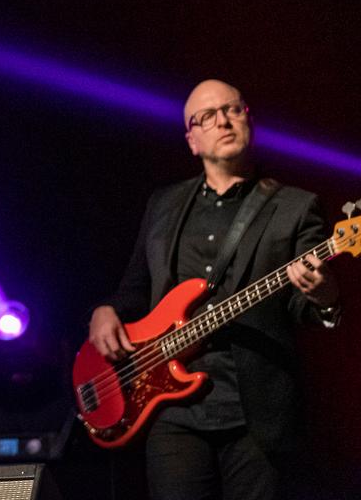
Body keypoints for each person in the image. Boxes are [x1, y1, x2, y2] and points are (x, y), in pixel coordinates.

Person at [87, 79, 340, 500]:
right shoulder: (163, 204)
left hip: (256, 414)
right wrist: (106, 310)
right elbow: (135, 287)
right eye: (207, 116)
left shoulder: (296, 206)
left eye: (233, 110)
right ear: (192, 139)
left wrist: (324, 295)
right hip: (171, 412)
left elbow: (304, 305)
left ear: (249, 121)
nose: (222, 120)